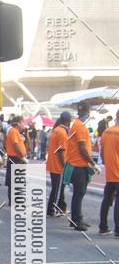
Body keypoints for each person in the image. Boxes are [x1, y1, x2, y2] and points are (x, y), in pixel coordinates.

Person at [66, 101, 96, 230]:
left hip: (77, 163)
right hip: (78, 164)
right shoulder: (80, 127)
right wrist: (93, 162)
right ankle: (76, 220)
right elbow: (82, 148)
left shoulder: (77, 124)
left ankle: (77, 218)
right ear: (87, 112)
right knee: (79, 193)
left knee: (79, 193)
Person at [98, 108, 119, 235]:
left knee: (106, 200)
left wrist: (108, 163)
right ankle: (118, 229)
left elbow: (102, 151)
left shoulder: (107, 131)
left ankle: (103, 226)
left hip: (110, 173)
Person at [46, 112, 70, 216]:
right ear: (68, 121)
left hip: (53, 163)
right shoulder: (62, 133)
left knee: (57, 188)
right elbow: (61, 151)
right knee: (57, 190)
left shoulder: (56, 130)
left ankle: (60, 207)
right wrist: (65, 166)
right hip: (58, 166)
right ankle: (52, 209)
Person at [5, 115, 27, 205]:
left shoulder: (14, 131)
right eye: (22, 122)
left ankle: (15, 200)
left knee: (15, 180)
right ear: (18, 123)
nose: (23, 125)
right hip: (16, 158)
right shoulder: (14, 131)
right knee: (16, 180)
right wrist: (22, 156)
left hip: (15, 158)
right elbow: (16, 145)